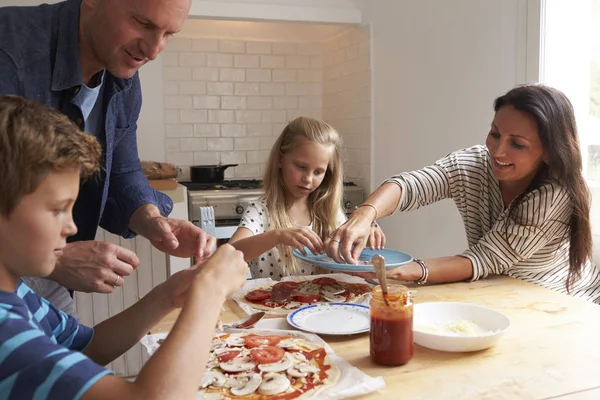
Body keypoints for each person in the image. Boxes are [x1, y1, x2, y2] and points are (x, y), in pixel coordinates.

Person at [0, 95, 249, 400]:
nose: (72, 227)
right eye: (58, 209)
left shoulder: (19, 294)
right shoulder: (5, 332)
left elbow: (87, 348)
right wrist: (209, 291)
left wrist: (168, 295)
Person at [0, 0, 214, 315]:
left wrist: (154, 222)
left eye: (169, 34)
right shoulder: (9, 53)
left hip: (43, 293)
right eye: (143, 23)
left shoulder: (122, 75)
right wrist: (56, 260)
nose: (154, 51)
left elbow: (120, 172)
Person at [325, 84, 600, 303]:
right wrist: (365, 213)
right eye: (495, 134)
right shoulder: (476, 163)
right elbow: (412, 185)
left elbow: (483, 259)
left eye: (517, 144)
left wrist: (401, 271)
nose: (498, 150)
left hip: (560, 303)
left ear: (549, 152)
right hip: (499, 292)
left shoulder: (555, 193)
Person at [229, 116, 385, 279]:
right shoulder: (260, 212)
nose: (308, 179)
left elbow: (348, 263)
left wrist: (365, 233)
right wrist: (277, 236)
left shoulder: (330, 212)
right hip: (272, 304)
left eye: (318, 172)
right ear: (280, 159)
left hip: (328, 304)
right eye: (301, 167)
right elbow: (229, 256)